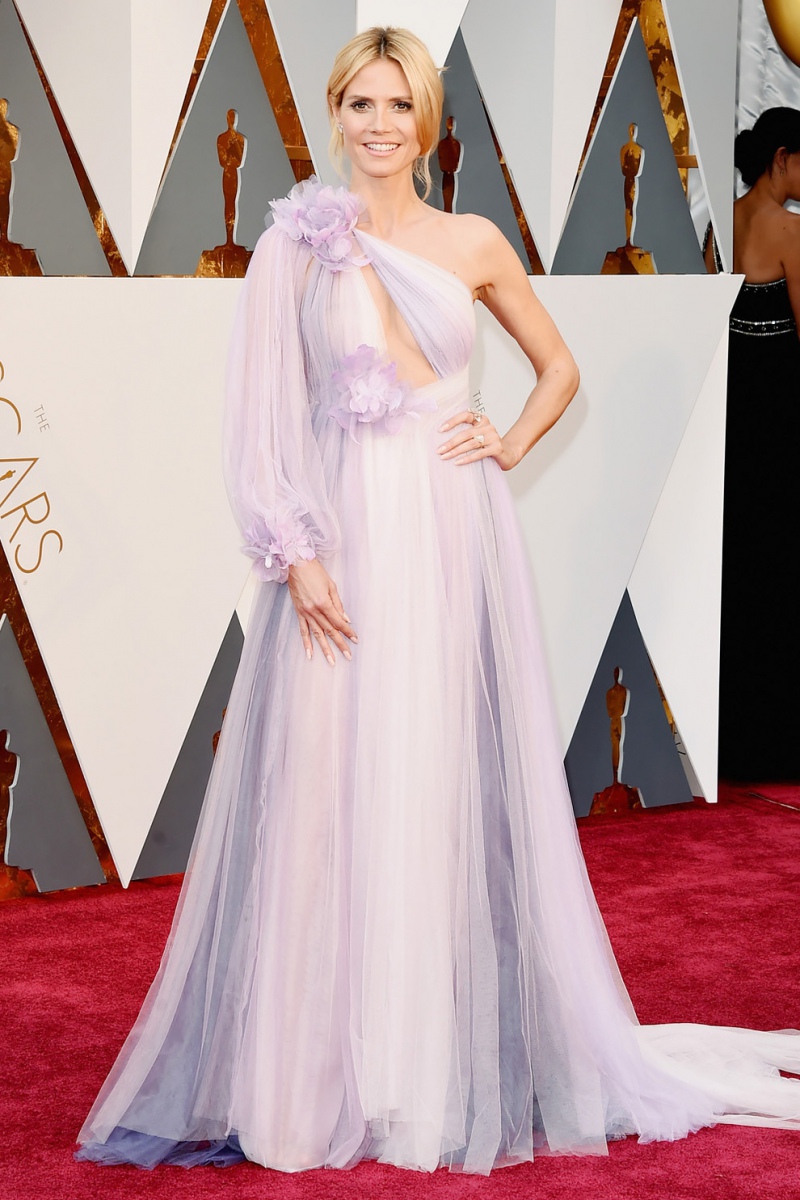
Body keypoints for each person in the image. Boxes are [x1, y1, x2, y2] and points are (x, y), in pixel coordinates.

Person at [77, 29, 800, 1174]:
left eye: (397, 104)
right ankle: (306, 1075)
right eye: (358, 103)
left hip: (450, 532)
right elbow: (262, 416)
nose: (378, 125)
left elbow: (558, 368)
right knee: (319, 794)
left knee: (425, 780)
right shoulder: (294, 246)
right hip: (338, 543)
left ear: (427, 120)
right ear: (335, 113)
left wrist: (504, 439)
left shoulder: (471, 241)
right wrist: (294, 551)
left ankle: (414, 1070)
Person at [706, 107, 800, 779]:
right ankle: (777, 742)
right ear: (782, 158)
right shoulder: (791, 231)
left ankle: (731, 737)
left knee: (736, 570)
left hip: (730, 422)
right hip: (781, 424)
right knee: (781, 573)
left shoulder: (720, 222)